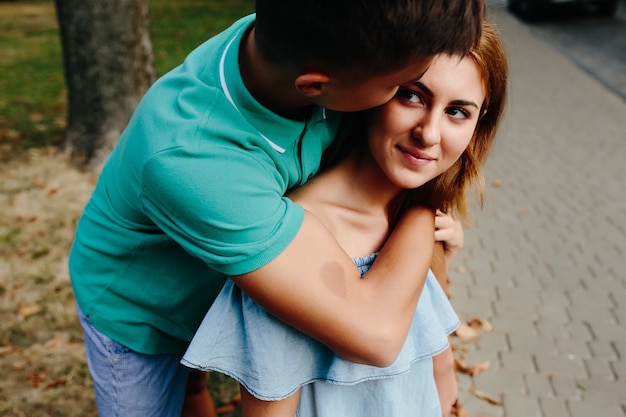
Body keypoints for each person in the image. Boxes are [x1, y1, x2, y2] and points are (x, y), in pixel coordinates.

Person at [68, 1, 486, 415]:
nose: (423, 124)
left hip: (225, 261)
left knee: (195, 386)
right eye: (404, 86)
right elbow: (374, 335)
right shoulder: (192, 159)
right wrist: (422, 209)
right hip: (145, 312)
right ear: (316, 86)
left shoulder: (313, 36)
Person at [182, 20, 508, 417]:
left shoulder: (417, 213)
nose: (429, 133)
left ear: (479, 122)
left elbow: (432, 356)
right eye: (412, 96)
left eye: (457, 111)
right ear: (377, 88)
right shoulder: (294, 243)